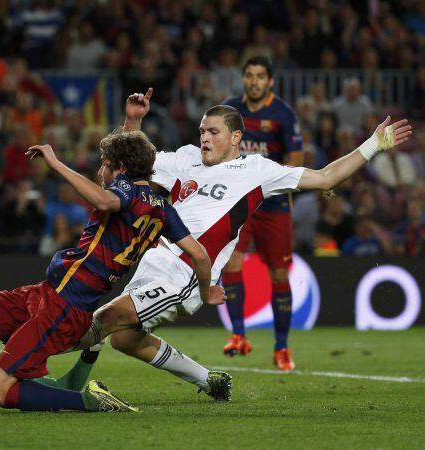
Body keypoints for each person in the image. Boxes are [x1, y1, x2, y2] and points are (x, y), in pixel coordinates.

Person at [69, 88, 410, 396]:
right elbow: (131, 164)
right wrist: (133, 121)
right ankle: (210, 381)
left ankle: (40, 358)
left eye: (213, 132)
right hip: (153, 261)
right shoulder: (185, 158)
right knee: (125, 339)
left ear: (235, 137)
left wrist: (373, 144)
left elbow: (325, 178)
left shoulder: (257, 171)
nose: (204, 138)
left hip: (186, 273)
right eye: (202, 131)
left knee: (104, 319)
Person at [0, 129, 215, 412]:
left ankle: (90, 403)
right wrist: (204, 292)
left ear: (119, 168)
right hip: (49, 293)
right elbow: (200, 257)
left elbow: (105, 200)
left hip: (65, 307)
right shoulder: (163, 209)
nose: (100, 172)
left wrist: (55, 163)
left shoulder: (123, 189)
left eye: (104, 165)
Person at [221, 56, 304, 370]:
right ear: (243, 78)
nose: (253, 81)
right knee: (232, 262)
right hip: (239, 203)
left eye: (259, 76)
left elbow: (296, 159)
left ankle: (281, 348)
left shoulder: (283, 114)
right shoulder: (230, 110)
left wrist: (271, 182)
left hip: (274, 205)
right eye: (249, 75)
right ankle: (238, 335)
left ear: (270, 81)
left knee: (279, 274)